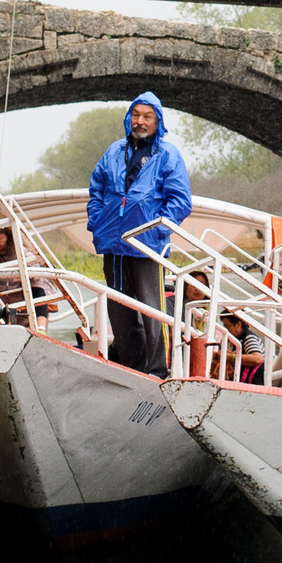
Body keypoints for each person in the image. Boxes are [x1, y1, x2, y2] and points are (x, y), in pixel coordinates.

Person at [87, 91, 192, 376]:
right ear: (128, 118)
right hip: (113, 243)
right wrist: (96, 222)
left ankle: (160, 370)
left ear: (158, 122)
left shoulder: (167, 154)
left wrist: (157, 232)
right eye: (136, 115)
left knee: (153, 310)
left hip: (148, 246)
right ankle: (132, 369)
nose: (140, 121)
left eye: (147, 116)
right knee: (119, 311)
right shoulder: (113, 151)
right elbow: (96, 189)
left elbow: (180, 201)